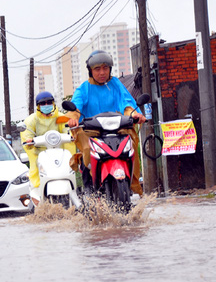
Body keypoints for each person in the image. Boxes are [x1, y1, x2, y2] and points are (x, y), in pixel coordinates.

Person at [64, 50, 146, 195]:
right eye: (97, 69)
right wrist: (73, 118)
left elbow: (126, 102)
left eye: (105, 68)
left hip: (116, 129)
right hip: (91, 130)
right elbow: (76, 105)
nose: (102, 72)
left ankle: (132, 182)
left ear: (110, 69)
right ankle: (89, 186)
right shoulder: (84, 88)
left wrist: (134, 114)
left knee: (131, 141)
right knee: (87, 149)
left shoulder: (115, 84)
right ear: (90, 71)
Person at [20, 91, 76, 204]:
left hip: (59, 153)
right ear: (38, 106)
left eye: (49, 102)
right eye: (43, 103)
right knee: (36, 170)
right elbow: (26, 135)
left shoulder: (61, 117)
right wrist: (29, 141)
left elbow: (68, 132)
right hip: (39, 153)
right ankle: (37, 197)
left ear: (53, 103)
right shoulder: (31, 120)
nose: (46, 105)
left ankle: (75, 194)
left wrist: (73, 134)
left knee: (70, 169)